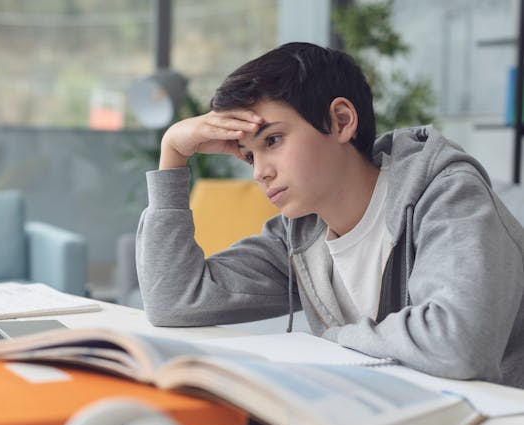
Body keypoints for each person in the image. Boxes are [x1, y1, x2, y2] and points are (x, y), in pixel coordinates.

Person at [135, 42, 524, 388]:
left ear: (341, 121)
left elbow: (459, 343)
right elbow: (176, 300)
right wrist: (173, 156)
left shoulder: (447, 196)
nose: (259, 172)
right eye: (250, 155)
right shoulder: (301, 236)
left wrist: (326, 342)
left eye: (273, 140)